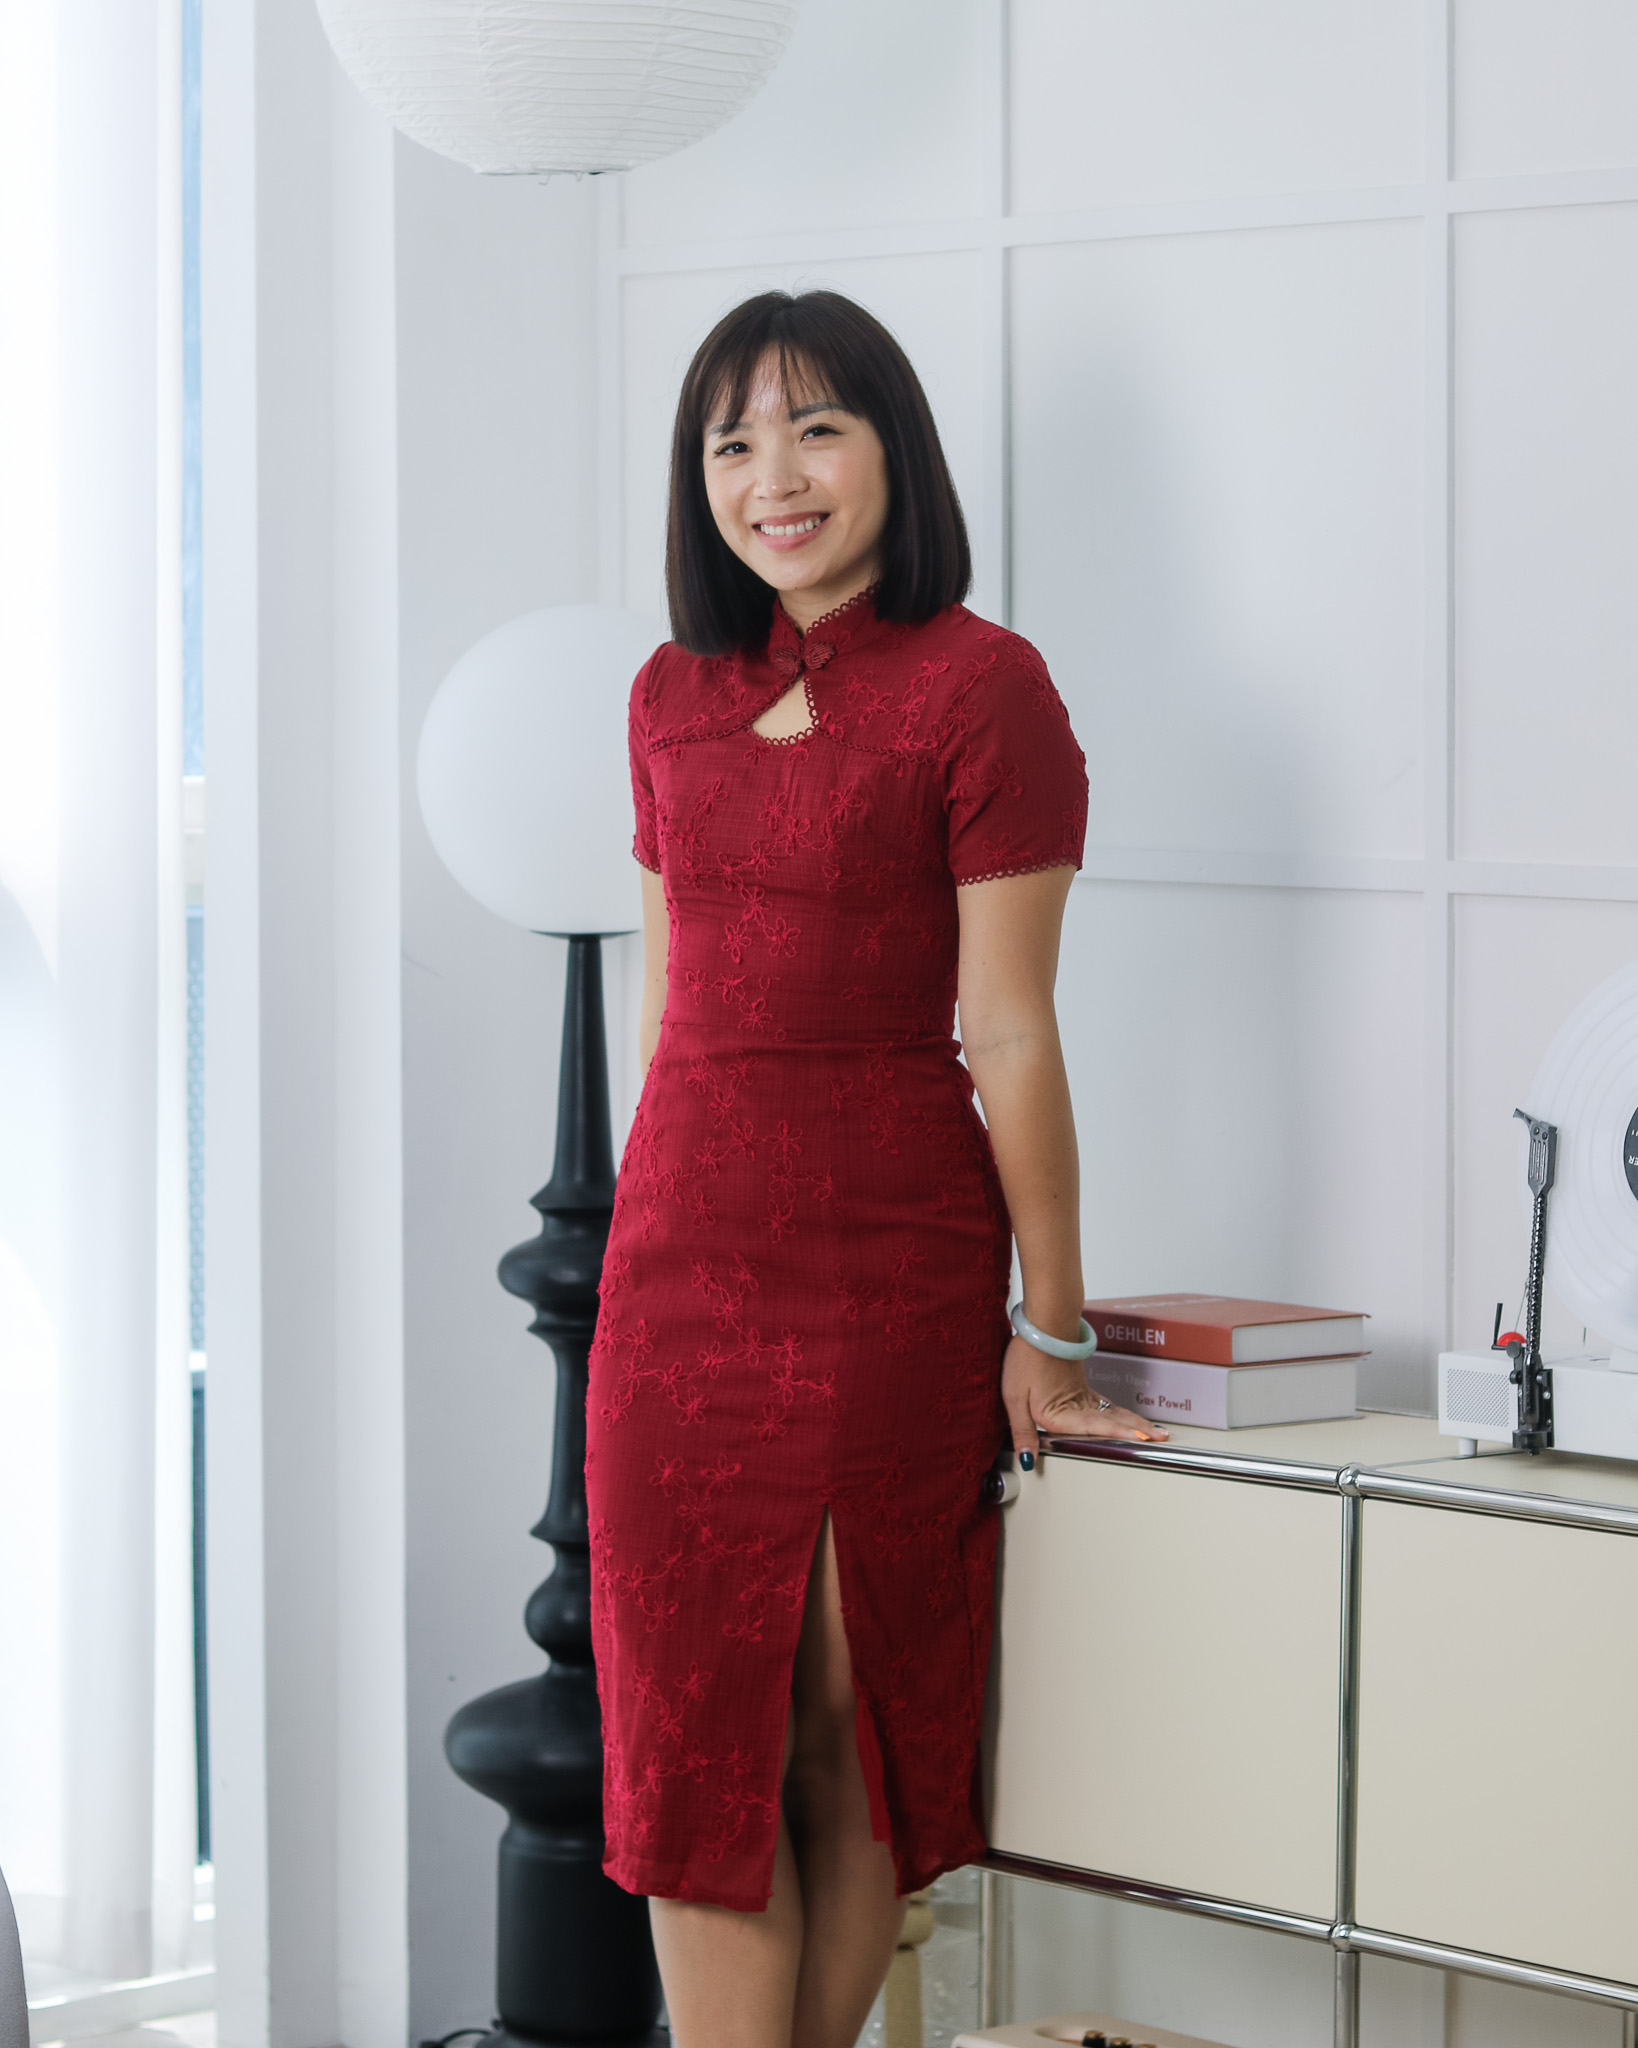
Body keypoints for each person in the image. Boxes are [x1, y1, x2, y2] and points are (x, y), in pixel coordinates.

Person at [584, 288, 1164, 2048]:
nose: (774, 476)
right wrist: (641, 1244)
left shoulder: (987, 691)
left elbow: (1009, 1034)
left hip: (884, 1275)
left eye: (815, 428)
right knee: (692, 1745)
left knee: (830, 1736)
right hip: (676, 1274)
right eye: (731, 441)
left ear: (892, 450)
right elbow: (671, 1002)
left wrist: (1042, 1334)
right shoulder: (669, 694)